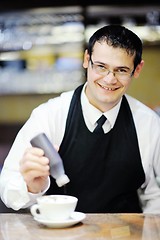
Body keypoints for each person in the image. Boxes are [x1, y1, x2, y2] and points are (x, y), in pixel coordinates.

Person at [0, 24, 160, 213]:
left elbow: (155, 196)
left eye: (122, 70)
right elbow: (8, 190)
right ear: (86, 59)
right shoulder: (50, 115)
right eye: (101, 67)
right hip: (60, 232)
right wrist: (31, 186)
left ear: (137, 69)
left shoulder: (149, 123)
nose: (109, 79)